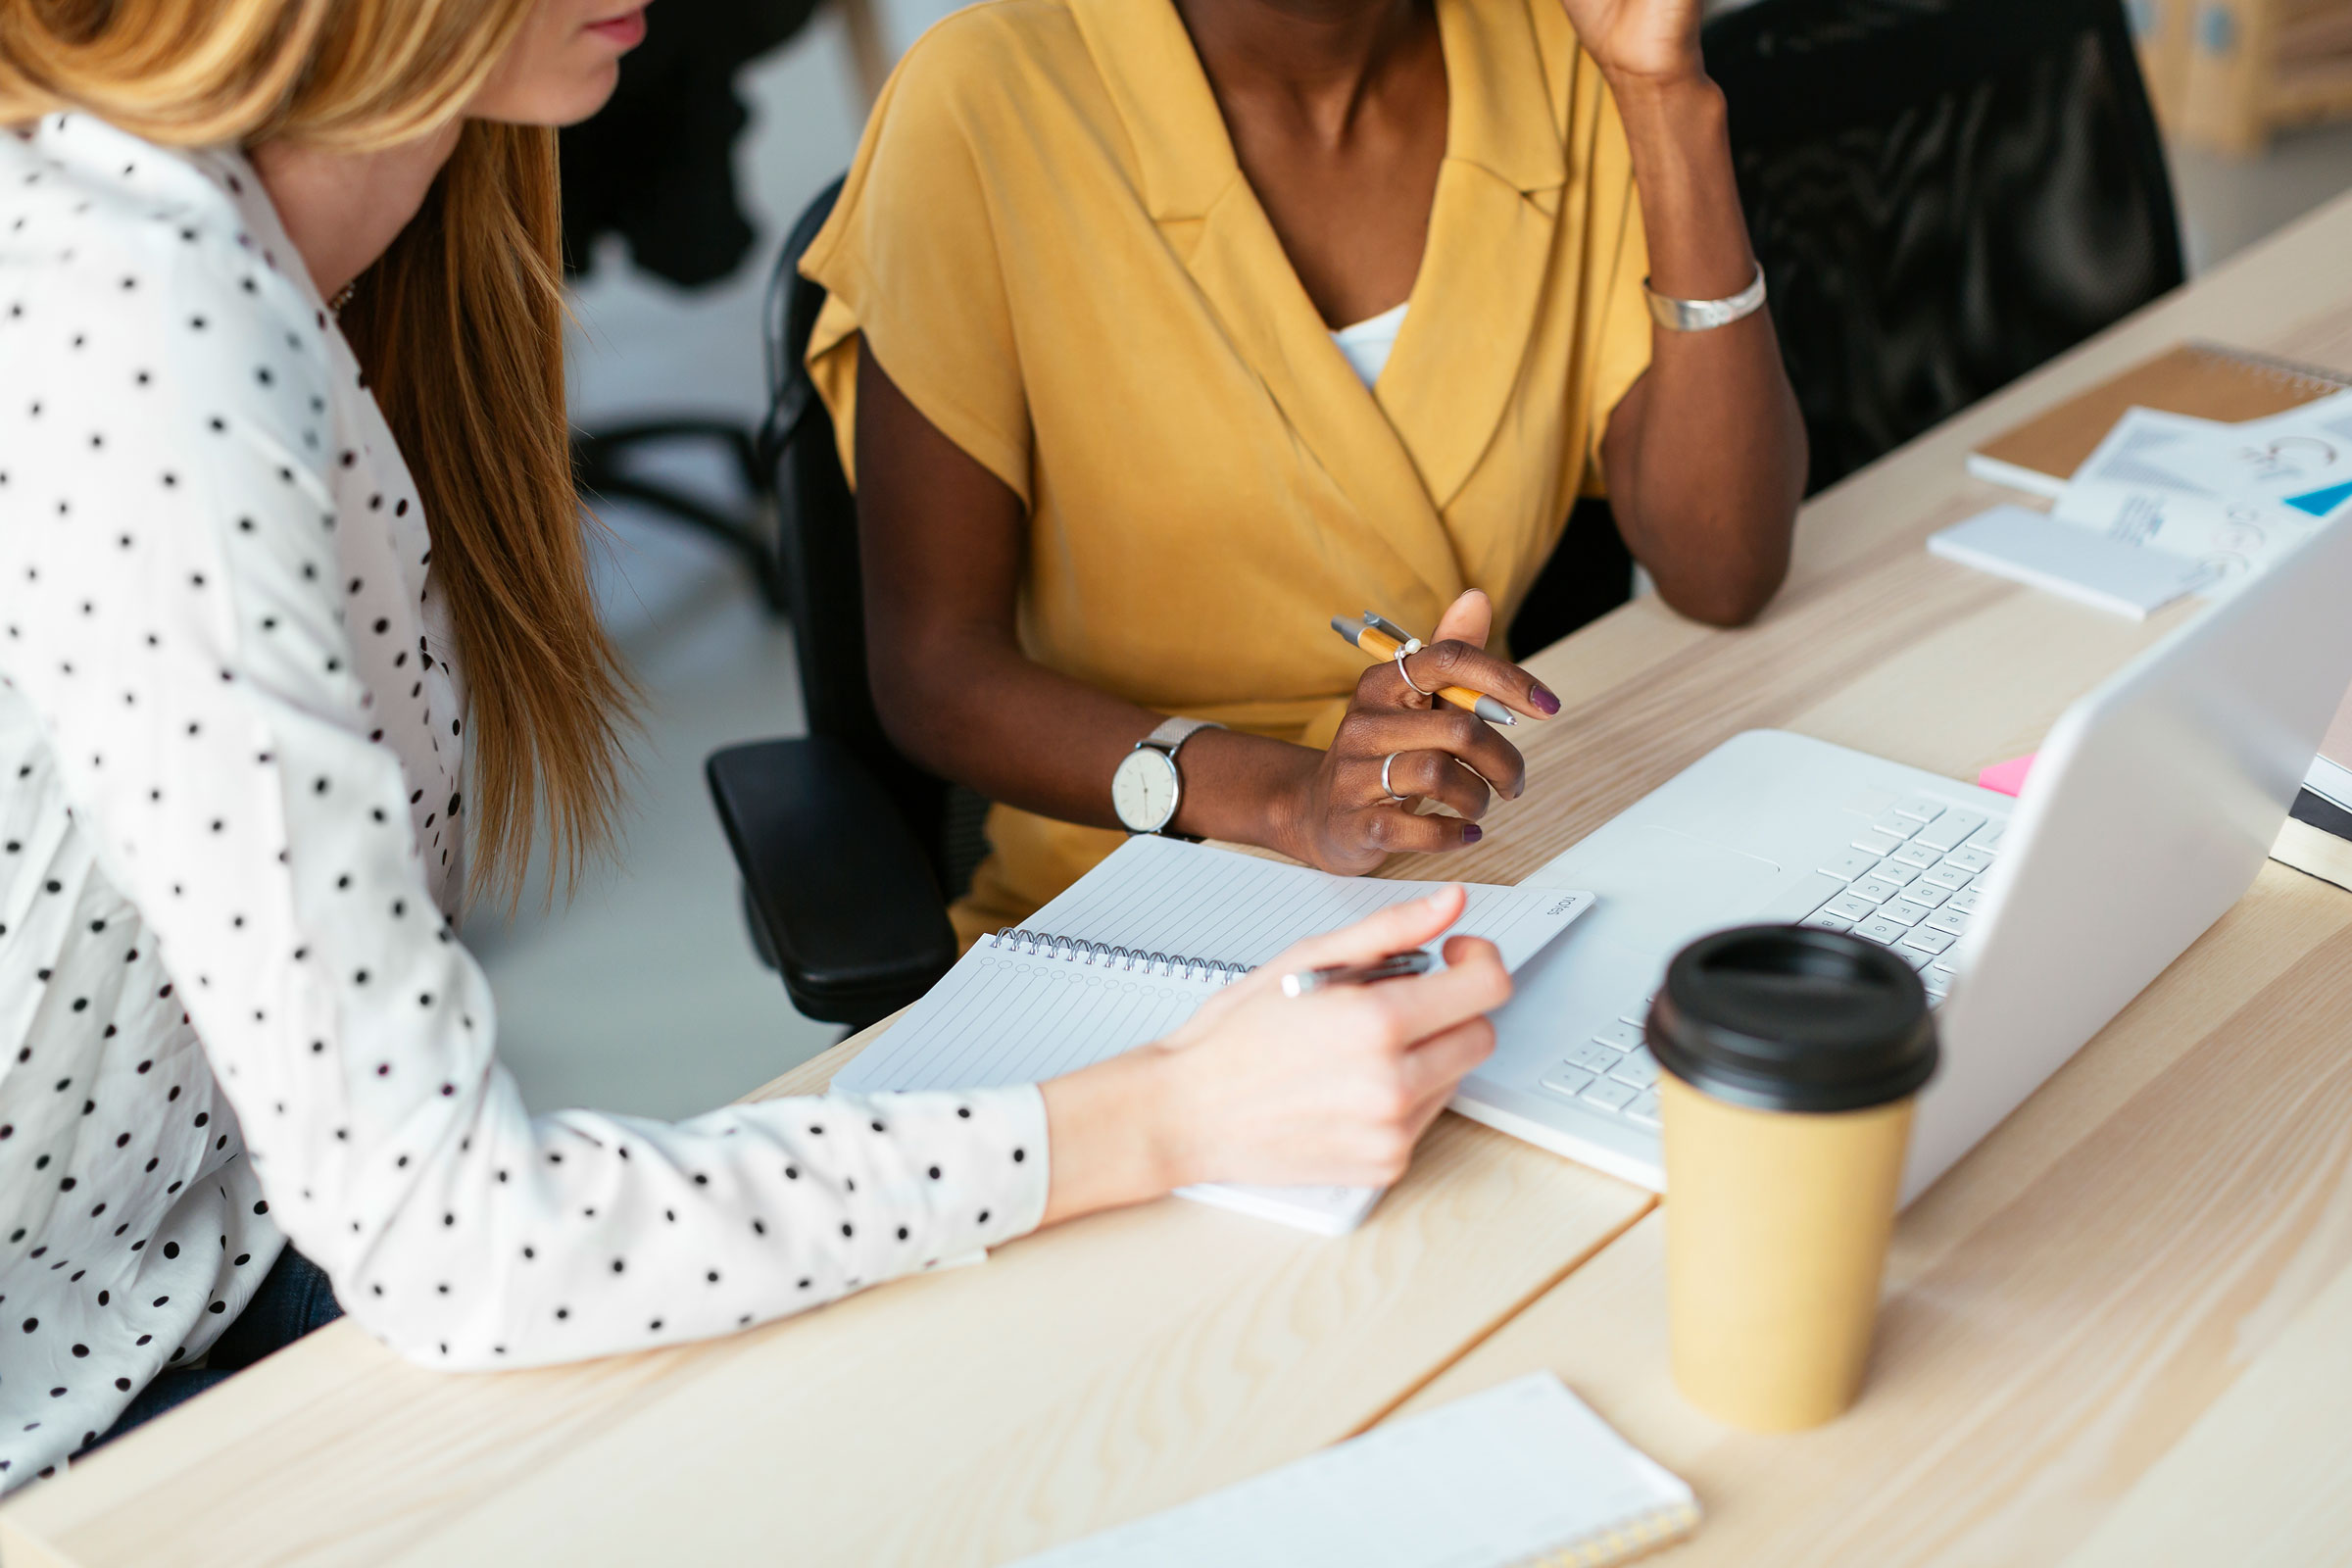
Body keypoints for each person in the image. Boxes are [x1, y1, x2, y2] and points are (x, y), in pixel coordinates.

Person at [0, 0, 1512, 1490]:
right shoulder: (141, 322)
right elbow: (462, 1245)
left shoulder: (316, 258)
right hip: (66, 1412)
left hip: (206, 1266)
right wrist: (1170, 1113)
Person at [805, 0, 1808, 948]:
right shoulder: (983, 96)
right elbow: (935, 672)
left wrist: (1662, 94)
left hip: (1483, 874)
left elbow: (1724, 568)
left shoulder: (1556, 51)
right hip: (1132, 914)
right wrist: (1290, 798)